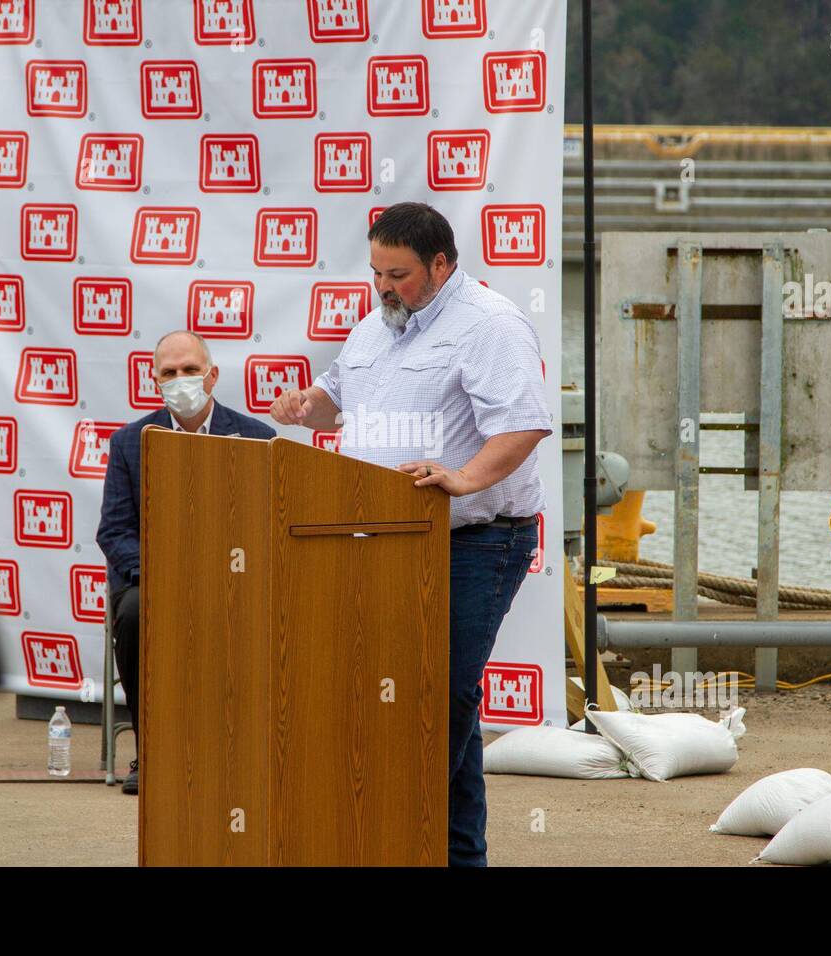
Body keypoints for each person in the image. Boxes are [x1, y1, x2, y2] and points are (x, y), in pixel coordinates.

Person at [269, 201, 552, 865]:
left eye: (397, 274)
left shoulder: (491, 324)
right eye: (376, 272)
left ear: (441, 264)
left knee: (437, 697)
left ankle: (409, 840)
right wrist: (303, 406)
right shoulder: (374, 327)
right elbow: (335, 400)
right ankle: (452, 856)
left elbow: (522, 425)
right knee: (432, 699)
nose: (384, 287)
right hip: (386, 540)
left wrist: (462, 477)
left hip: (476, 544)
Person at [97, 330, 276, 795]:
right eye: (169, 373)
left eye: (191, 371)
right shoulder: (129, 443)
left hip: (236, 576)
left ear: (212, 376)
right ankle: (151, 752)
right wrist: (163, 575)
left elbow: (270, 523)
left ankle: (250, 749)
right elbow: (114, 532)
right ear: (154, 380)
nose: (181, 380)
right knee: (135, 614)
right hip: (152, 580)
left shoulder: (258, 438)